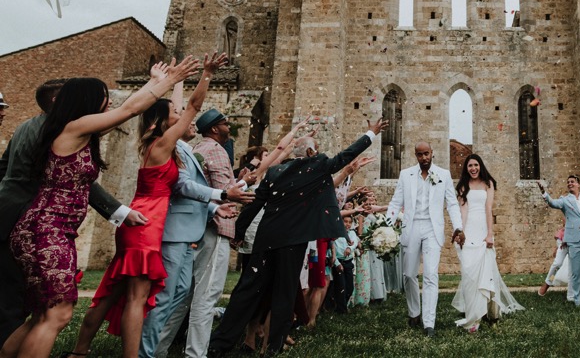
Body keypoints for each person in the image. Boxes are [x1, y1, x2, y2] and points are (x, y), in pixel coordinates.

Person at [7, 58, 199, 358]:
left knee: (44, 313)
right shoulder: (75, 127)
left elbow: (127, 111)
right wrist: (167, 80)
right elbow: (130, 109)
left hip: (52, 229)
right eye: (103, 99)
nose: (108, 104)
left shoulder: (77, 131)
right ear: (87, 101)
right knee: (56, 315)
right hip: (47, 229)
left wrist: (157, 82)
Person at [64, 54, 227, 358]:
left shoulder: (161, 143)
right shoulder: (163, 145)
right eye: (172, 114)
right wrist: (207, 74)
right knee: (136, 297)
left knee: (113, 291)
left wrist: (173, 84)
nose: (179, 115)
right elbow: (192, 107)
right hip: (146, 224)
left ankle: (79, 351)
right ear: (160, 121)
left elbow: (181, 107)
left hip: (141, 220)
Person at [206, 119, 385, 357]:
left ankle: (219, 345)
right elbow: (345, 156)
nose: (319, 152)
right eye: (317, 149)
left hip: (266, 238)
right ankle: (273, 347)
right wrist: (370, 134)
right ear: (311, 152)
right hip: (292, 242)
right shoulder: (318, 164)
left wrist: (238, 232)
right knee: (285, 293)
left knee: (246, 291)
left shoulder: (274, 171)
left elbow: (255, 203)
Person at [0, 80, 141, 355]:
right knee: (28, 307)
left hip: (11, 218)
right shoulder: (55, 130)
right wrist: (119, 210)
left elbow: (4, 169)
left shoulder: (27, 126)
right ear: (58, 101)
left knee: (26, 305)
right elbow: (71, 179)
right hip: (33, 223)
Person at [156, 106, 255, 358]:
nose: (228, 126)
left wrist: (241, 181)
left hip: (197, 227)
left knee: (185, 294)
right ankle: (196, 354)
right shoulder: (217, 151)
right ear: (214, 128)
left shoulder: (197, 149)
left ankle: (158, 348)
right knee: (207, 294)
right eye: (224, 123)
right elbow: (225, 192)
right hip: (217, 227)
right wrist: (243, 189)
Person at [385, 142, 464, 338]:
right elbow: (396, 201)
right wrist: (387, 225)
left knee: (430, 275)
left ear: (432, 153)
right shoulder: (406, 175)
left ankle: (429, 323)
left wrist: (458, 226)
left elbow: (452, 204)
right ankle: (414, 312)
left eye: (426, 154)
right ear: (415, 155)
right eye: (420, 155)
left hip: (432, 229)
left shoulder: (443, 175)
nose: (424, 158)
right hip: (411, 227)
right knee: (409, 275)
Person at [451, 154, 522, 332]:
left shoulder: (488, 183)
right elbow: (463, 211)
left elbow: (488, 209)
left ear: (480, 166)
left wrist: (490, 234)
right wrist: (461, 233)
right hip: (469, 231)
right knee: (469, 274)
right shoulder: (462, 186)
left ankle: (492, 315)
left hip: (483, 229)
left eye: (475, 165)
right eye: (469, 166)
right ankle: (473, 315)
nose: (473, 168)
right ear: (466, 169)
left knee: (487, 273)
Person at [537, 175, 580, 308]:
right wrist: (544, 193)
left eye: (572, 182)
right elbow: (552, 203)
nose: (570, 184)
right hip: (574, 240)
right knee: (575, 272)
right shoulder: (565, 200)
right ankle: (577, 301)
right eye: (568, 182)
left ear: (578, 184)